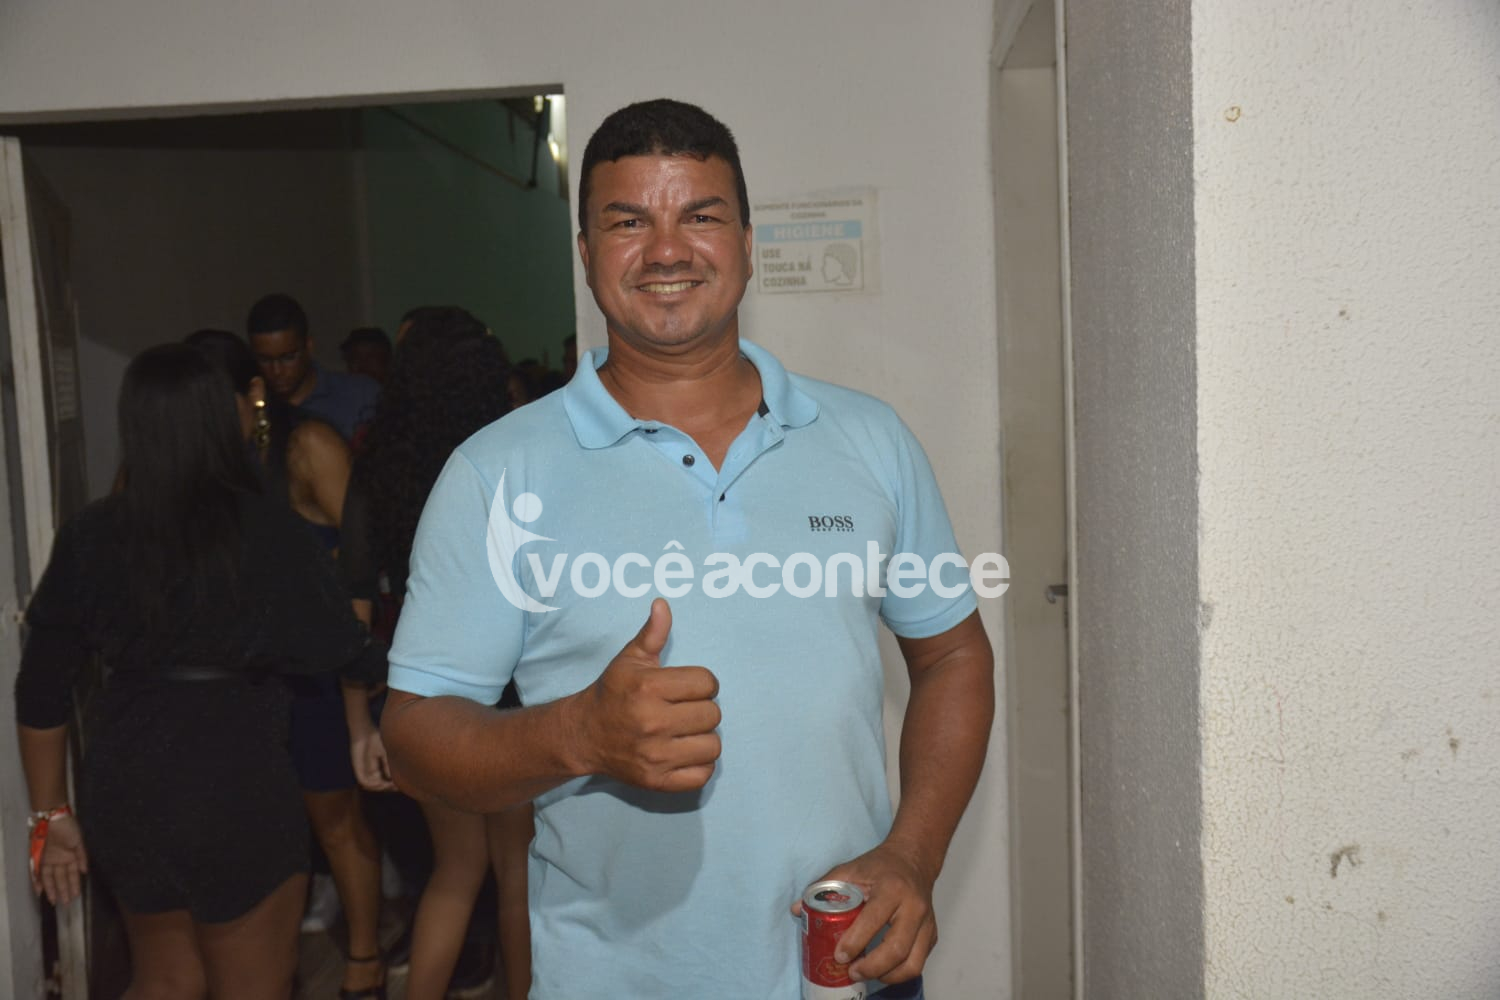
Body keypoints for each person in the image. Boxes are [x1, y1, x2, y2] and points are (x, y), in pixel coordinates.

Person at [380, 99, 994, 998]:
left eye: (699, 216)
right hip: (618, 979)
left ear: (745, 242)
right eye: (628, 222)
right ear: (586, 252)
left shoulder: (869, 440)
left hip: (849, 965)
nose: (667, 250)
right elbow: (414, 738)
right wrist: (575, 734)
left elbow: (953, 656)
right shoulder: (497, 473)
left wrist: (914, 854)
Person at [15, 343, 383, 1000]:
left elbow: (41, 687)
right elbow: (341, 648)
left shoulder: (90, 534)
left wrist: (50, 813)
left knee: (167, 979)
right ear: (219, 420)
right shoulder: (266, 530)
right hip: (235, 781)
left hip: (128, 783)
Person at [187, 329, 388, 1000]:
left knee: (334, 822)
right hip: (228, 684)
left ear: (251, 393)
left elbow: (361, 564)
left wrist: (355, 679)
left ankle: (364, 959)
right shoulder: (186, 464)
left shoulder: (308, 446)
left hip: (311, 676)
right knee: (247, 832)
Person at [339, 307, 531, 1000]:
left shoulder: (380, 467)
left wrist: (359, 724)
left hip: (426, 689)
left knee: (454, 871)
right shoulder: (515, 457)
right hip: (514, 689)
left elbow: (356, 607)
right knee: (518, 878)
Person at [246, 293, 380, 445]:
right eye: (265, 360)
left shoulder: (361, 395)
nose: (277, 370)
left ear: (308, 346)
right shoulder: (248, 410)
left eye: (288, 358)